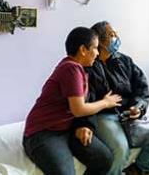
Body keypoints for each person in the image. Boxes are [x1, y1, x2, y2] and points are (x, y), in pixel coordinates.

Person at [23, 27, 122, 175]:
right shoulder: (71, 69)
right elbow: (79, 109)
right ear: (83, 49)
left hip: (66, 129)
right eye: (95, 48)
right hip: (43, 132)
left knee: (104, 159)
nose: (97, 52)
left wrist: (85, 126)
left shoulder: (79, 69)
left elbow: (78, 109)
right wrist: (106, 103)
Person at [84, 21, 149, 175]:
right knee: (121, 150)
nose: (116, 37)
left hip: (129, 113)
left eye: (115, 33)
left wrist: (139, 108)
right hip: (105, 115)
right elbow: (86, 100)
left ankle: (138, 170)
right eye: (111, 35)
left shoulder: (124, 61)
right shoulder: (89, 66)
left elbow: (141, 88)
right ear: (100, 42)